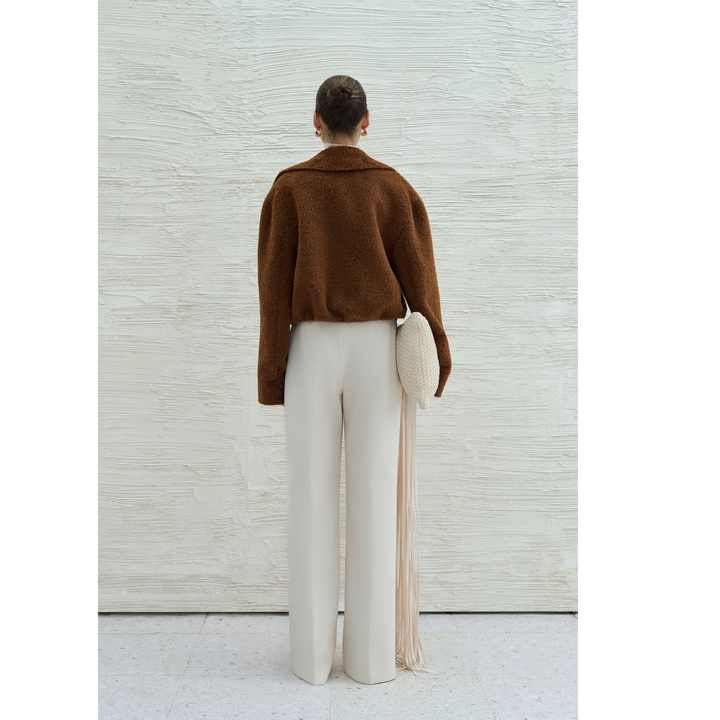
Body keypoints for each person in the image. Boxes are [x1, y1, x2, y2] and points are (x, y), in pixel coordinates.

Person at [256, 74, 451, 685]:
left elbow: (272, 289)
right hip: (376, 350)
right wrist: (439, 356)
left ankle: (311, 661)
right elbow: (421, 282)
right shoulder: (392, 187)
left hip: (310, 348)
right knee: (375, 498)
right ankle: (370, 661)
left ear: (316, 122)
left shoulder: (290, 188)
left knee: (309, 499)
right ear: (366, 122)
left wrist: (271, 371)